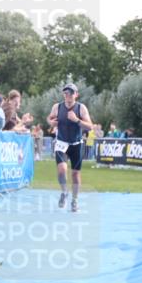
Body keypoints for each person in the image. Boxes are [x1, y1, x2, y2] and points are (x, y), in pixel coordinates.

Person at [47, 83, 93, 212]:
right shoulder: (57, 107)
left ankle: (75, 200)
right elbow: (49, 118)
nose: (68, 95)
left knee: (75, 174)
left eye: (71, 93)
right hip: (61, 142)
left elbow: (90, 126)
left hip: (76, 144)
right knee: (61, 170)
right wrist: (51, 122)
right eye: (66, 93)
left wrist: (76, 120)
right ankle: (64, 192)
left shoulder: (81, 108)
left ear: (76, 95)